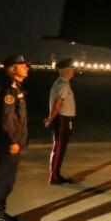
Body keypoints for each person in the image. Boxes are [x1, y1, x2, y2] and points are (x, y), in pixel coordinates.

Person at [0, 55, 32, 221]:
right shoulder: (9, 89)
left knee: (7, 179)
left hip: (11, 142)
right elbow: (7, 119)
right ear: (13, 69)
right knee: (4, 180)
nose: (27, 68)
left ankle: (0, 213)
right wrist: (13, 141)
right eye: (23, 66)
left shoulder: (15, 87)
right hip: (8, 143)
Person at [45, 57, 77, 185]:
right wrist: (50, 119)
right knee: (59, 147)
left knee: (59, 147)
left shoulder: (60, 83)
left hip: (64, 118)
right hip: (61, 118)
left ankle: (56, 174)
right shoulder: (63, 84)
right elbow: (58, 103)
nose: (73, 72)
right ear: (66, 70)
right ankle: (54, 176)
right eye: (72, 69)